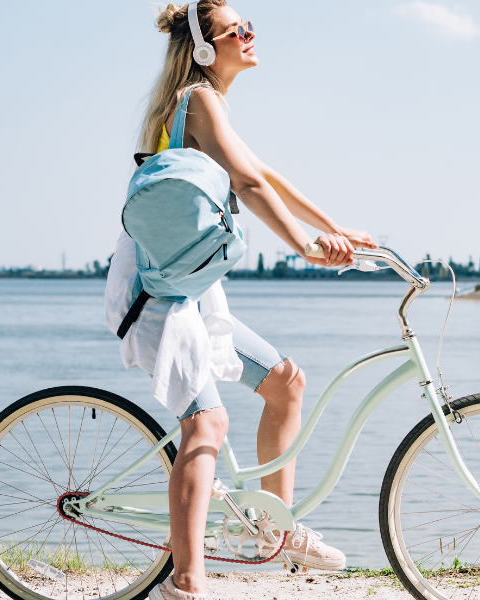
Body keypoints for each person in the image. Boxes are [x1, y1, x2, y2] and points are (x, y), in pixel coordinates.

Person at [125, 3, 378, 599]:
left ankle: (274, 535)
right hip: (158, 296)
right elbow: (249, 184)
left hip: (189, 292)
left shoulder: (202, 104)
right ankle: (186, 583)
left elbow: (267, 173)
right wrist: (307, 246)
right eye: (238, 28)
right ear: (207, 48)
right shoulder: (198, 100)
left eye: (250, 24)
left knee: (285, 383)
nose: (250, 33)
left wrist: (337, 227)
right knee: (207, 424)